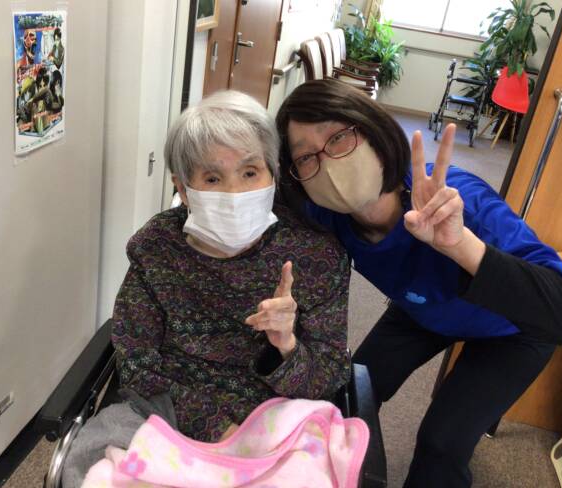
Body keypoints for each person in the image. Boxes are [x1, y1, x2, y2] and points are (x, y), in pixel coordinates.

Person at [275, 79, 562, 488]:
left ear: (372, 132)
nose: (328, 163)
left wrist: (461, 246)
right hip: (422, 308)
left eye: (338, 138)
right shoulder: (326, 212)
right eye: (306, 157)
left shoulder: (460, 200)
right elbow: (254, 188)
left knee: (441, 444)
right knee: (346, 392)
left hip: (509, 330)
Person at [62, 90, 351, 487]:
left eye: (250, 173)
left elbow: (327, 378)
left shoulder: (316, 256)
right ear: (183, 189)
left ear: (273, 174)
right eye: (212, 178)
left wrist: (286, 345)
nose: (234, 193)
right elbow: (136, 356)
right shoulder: (157, 247)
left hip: (274, 415)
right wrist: (215, 426)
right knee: (91, 467)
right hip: (166, 404)